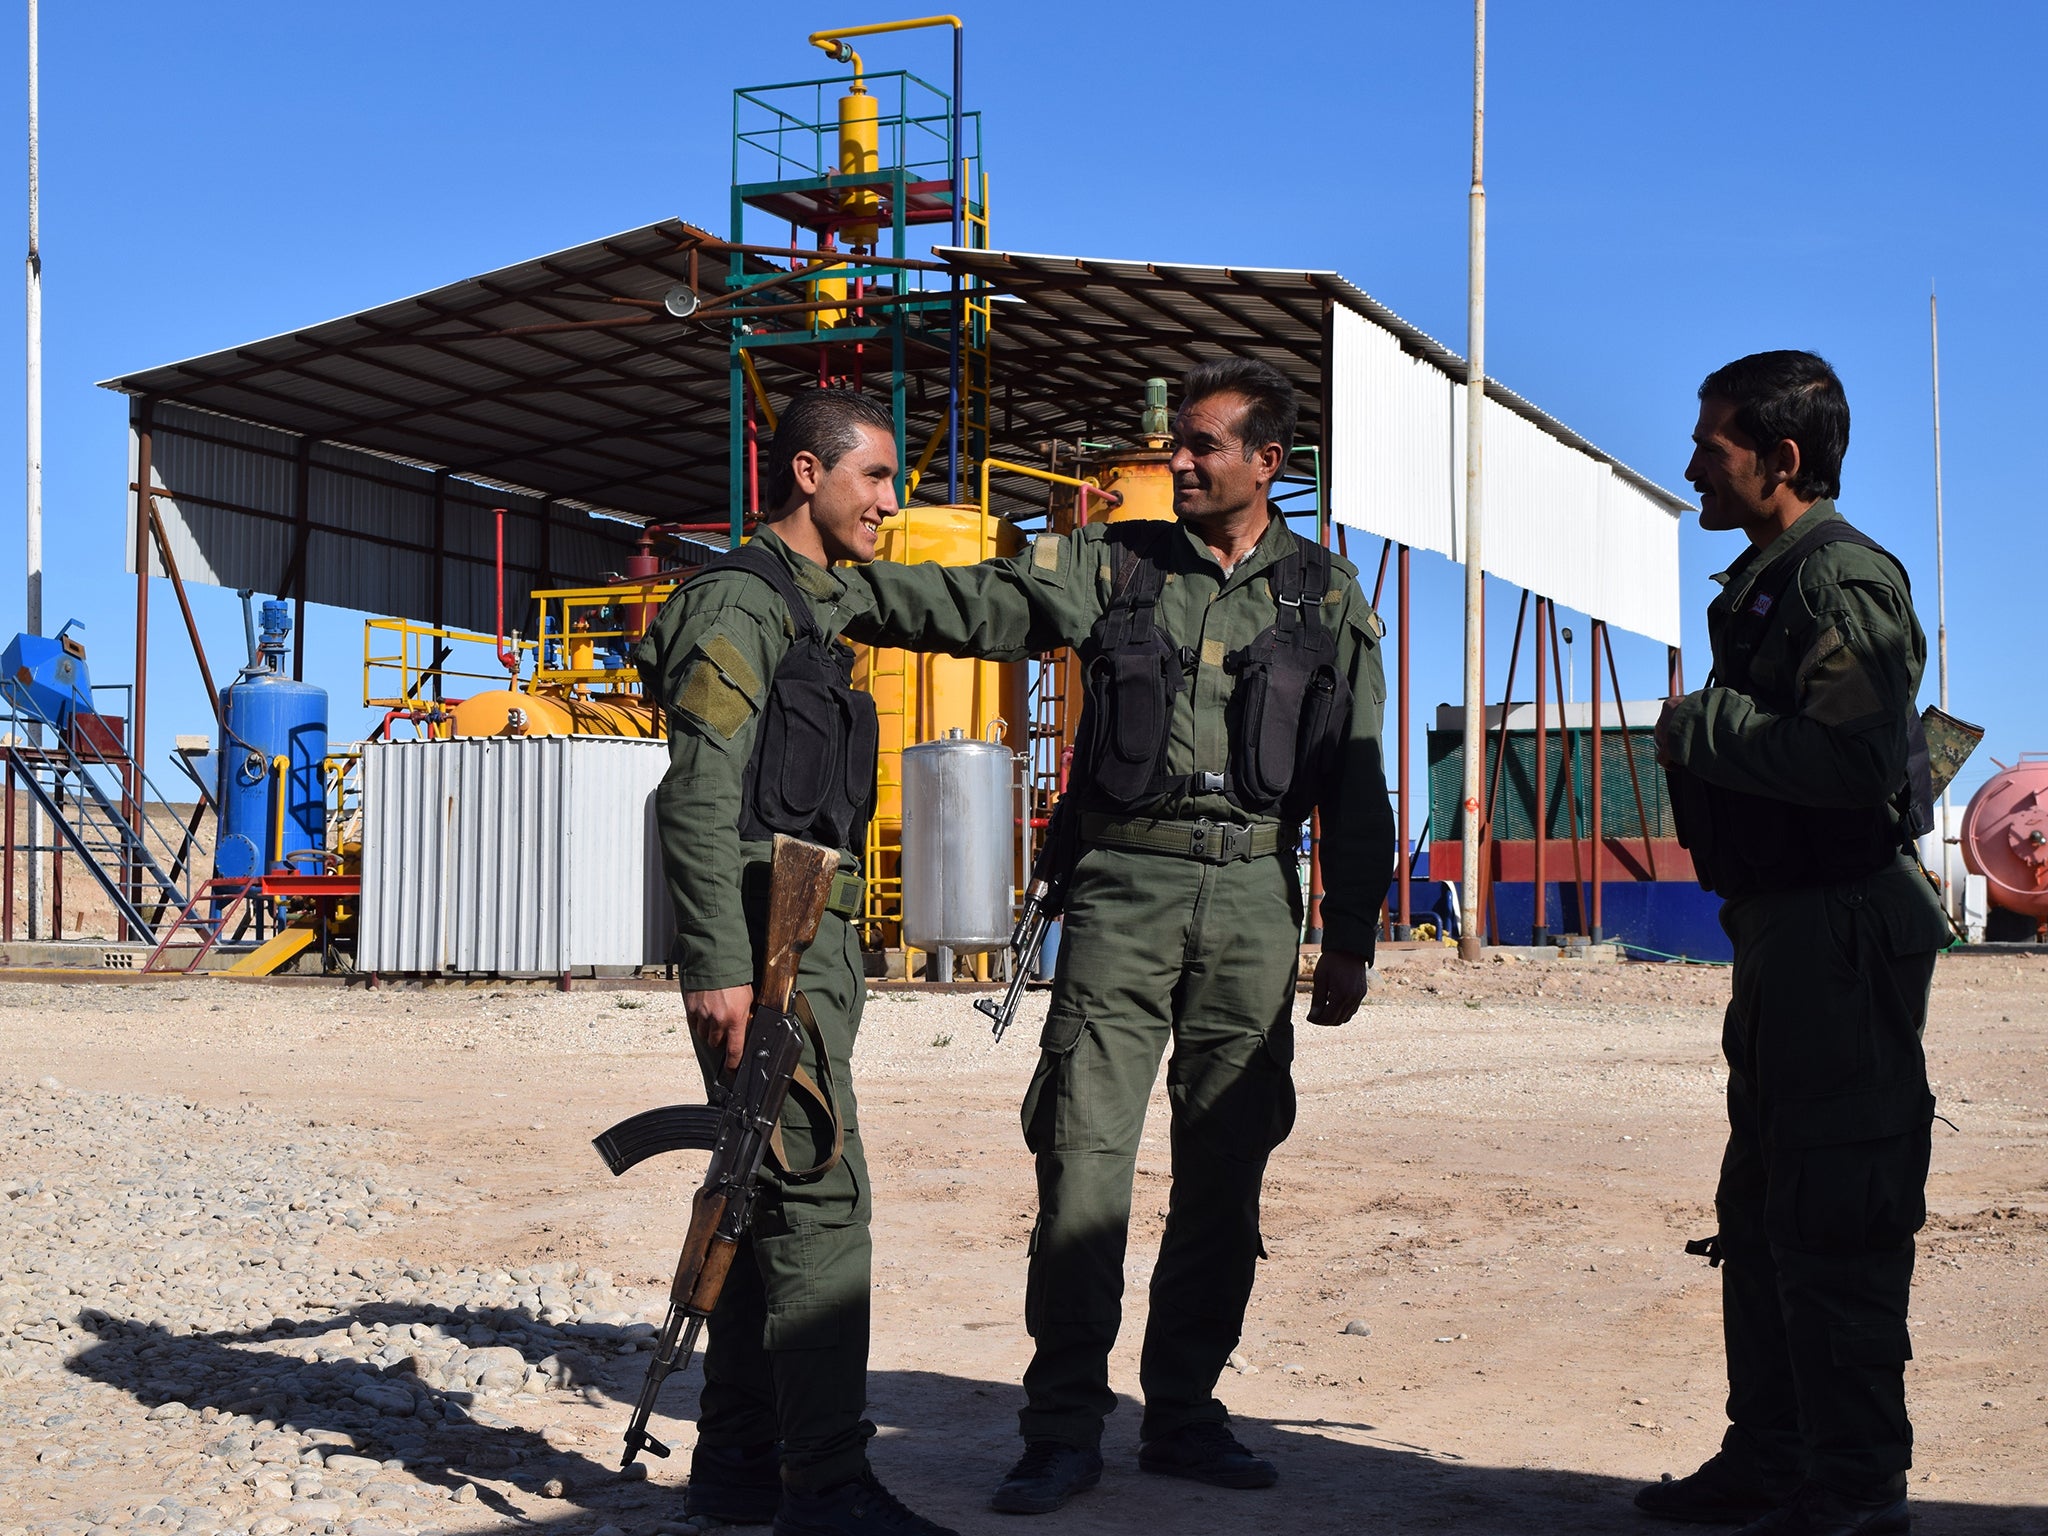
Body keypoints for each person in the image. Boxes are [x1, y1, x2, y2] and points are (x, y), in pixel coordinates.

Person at [834, 357, 1397, 1514]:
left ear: (1263, 464)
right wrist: (846, 583)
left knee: (1223, 1172)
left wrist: (1350, 932)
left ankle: (1183, 1415)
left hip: (1250, 899)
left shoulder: (1324, 597)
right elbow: (982, 605)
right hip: (1119, 890)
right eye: (1177, 445)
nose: (1178, 463)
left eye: (1200, 446)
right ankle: (1061, 1430)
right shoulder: (1112, 563)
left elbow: (1356, 776)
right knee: (1081, 1166)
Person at [635, 387, 957, 1536]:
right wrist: (718, 967)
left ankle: (732, 1472)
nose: (888, 500)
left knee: (766, 1205)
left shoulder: (817, 610)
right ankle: (826, 1487)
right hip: (761, 954)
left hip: (802, 938)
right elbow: (698, 791)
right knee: (821, 1206)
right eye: (872, 478)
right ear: (808, 475)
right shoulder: (738, 603)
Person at [1645, 351, 1949, 1536]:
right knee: (1767, 1199)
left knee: (1836, 1204)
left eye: (1709, 445)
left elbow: (1849, 763)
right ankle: (1772, 1454)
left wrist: (1698, 728)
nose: (1688, 466)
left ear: (1779, 459)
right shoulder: (1773, 580)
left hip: (1837, 926)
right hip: (1783, 931)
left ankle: (1853, 1482)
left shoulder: (1838, 582)